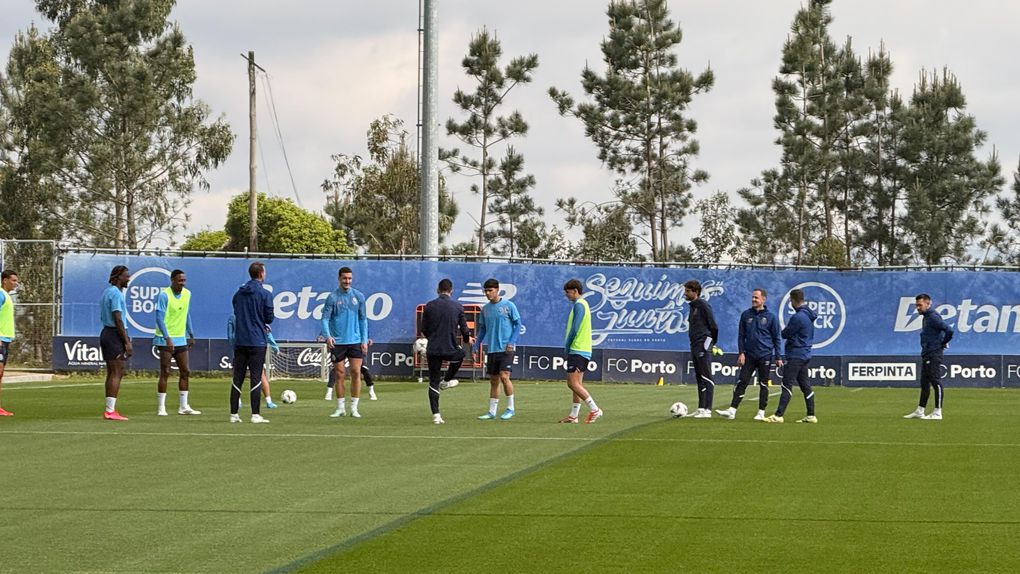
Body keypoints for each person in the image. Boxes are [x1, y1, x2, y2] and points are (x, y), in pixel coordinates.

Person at [717, 288, 782, 421]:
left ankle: (761, 412)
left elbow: (777, 338)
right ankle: (732, 410)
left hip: (765, 355)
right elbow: (741, 336)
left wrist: (778, 356)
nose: (753, 300)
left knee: (763, 384)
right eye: (752, 297)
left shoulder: (771, 317)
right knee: (742, 382)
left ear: (763, 299)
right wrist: (741, 353)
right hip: (749, 355)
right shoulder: (746, 315)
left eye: (756, 298)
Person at [420, 278, 473, 424]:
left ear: (438, 290)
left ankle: (436, 415)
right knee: (461, 354)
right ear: (452, 291)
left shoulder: (430, 306)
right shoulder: (457, 306)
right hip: (449, 348)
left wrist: (433, 338)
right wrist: (468, 339)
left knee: (433, 381)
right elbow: (464, 330)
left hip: (433, 349)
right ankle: (447, 380)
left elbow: (423, 329)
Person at [230, 261, 274, 423]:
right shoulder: (265, 294)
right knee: (256, 377)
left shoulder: (238, 293)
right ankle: (255, 414)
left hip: (240, 340)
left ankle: (234, 414)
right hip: (257, 341)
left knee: (237, 377)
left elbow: (236, 310)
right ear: (261, 273)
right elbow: (269, 317)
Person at [321, 266, 368, 418]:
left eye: (349, 278)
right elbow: (325, 319)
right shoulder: (332, 297)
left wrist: (364, 340)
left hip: (354, 341)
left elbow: (363, 319)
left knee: (355, 372)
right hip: (338, 342)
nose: (347, 281)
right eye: (344, 278)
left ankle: (354, 408)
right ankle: (340, 407)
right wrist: (328, 336)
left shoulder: (359, 296)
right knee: (339, 374)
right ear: (339, 279)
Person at [765, 288, 817, 423]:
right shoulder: (808, 315)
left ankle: (778, 415)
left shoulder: (798, 317)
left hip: (796, 355)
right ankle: (811, 415)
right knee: (805, 385)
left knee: (787, 384)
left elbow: (785, 333)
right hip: (805, 354)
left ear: (793, 300)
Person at [153, 269, 200, 416]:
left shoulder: (187, 294)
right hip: (165, 339)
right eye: (180, 280)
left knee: (185, 371)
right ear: (172, 280)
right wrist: (167, 337)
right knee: (165, 372)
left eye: (184, 280)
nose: (182, 283)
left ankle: (183, 406)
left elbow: (186, 314)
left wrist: (190, 333)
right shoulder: (164, 295)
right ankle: (161, 407)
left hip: (181, 338)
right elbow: (159, 317)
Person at [474, 278, 521, 421]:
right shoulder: (486, 309)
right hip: (493, 349)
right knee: (494, 381)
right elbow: (482, 330)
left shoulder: (509, 305)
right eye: (486, 291)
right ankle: (492, 411)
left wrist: (512, 342)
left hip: (506, 348)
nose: (488, 293)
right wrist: (476, 347)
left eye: (490, 290)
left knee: (504, 376)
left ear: (497, 290)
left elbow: (518, 324)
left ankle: (510, 408)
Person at [904, 293, 954, 421]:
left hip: (934, 353)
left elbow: (949, 330)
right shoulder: (926, 316)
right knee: (924, 383)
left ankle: (938, 412)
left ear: (928, 303)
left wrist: (942, 343)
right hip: (927, 353)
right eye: (917, 305)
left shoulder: (932, 317)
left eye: (920, 305)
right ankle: (920, 410)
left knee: (935, 382)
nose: (918, 308)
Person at [560, 279, 602, 424]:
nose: (567, 295)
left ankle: (594, 409)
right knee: (577, 384)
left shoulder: (579, 305)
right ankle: (573, 415)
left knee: (572, 383)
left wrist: (567, 345)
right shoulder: (583, 304)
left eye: (568, 292)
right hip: (583, 349)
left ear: (575, 291)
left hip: (577, 349)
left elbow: (575, 328)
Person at [683, 279, 719, 418]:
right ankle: (701, 408)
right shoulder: (692, 306)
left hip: (703, 343)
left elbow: (713, 326)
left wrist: (710, 343)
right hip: (694, 344)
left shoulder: (703, 305)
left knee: (706, 376)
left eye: (687, 291)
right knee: (699, 377)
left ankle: (708, 409)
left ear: (695, 292)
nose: (685, 294)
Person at [100, 265, 133, 420]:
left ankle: (110, 409)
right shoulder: (117, 294)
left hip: (106, 332)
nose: (128, 278)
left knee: (112, 372)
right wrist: (126, 341)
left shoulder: (107, 292)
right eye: (126, 275)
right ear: (118, 277)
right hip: (114, 334)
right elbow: (118, 318)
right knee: (117, 372)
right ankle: (110, 411)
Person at [228, 314, 279, 409]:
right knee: (260, 375)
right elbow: (266, 332)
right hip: (255, 346)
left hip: (240, 347)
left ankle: (237, 401)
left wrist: (234, 347)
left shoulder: (234, 317)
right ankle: (268, 401)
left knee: (237, 375)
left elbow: (230, 335)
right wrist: (275, 346)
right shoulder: (256, 315)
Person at [0, 270, 20, 416]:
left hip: (5, 339)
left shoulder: (7, 296)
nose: (16, 283)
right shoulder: (1, 294)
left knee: (0, 374)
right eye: (13, 280)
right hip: (0, 339)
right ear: (5, 280)